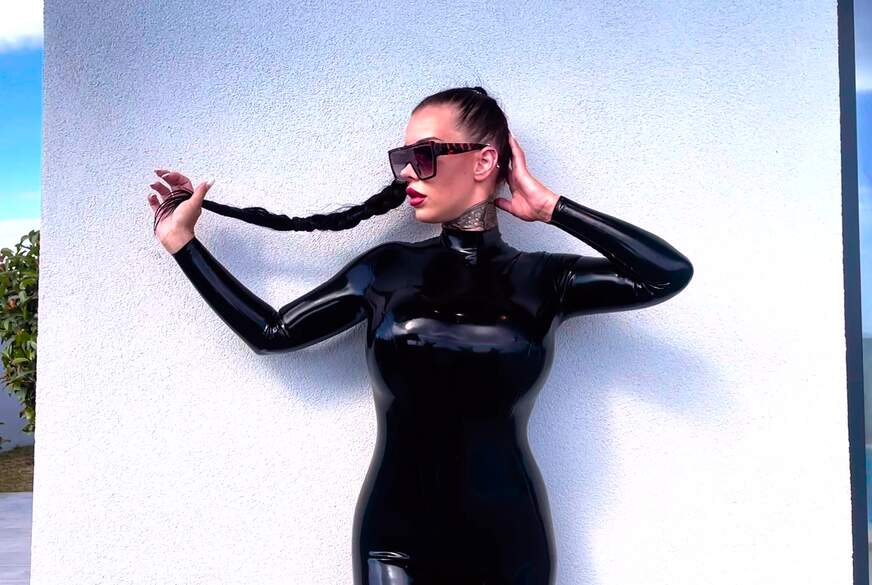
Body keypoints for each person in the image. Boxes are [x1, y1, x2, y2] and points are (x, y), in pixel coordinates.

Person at [147, 86, 693, 585]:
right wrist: (182, 243)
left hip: (510, 540)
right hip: (395, 542)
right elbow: (272, 332)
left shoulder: (544, 279)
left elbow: (665, 274)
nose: (408, 171)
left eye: (425, 154)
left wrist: (551, 208)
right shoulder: (386, 271)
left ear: (484, 161)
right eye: (403, 157)